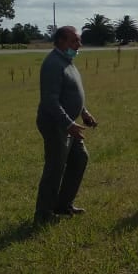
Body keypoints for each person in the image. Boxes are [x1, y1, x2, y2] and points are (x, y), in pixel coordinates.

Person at [34, 25, 98, 226]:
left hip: (69, 124)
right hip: (56, 124)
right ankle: (43, 215)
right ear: (61, 42)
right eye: (74, 41)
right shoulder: (53, 64)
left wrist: (84, 112)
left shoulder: (67, 61)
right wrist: (68, 123)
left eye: (78, 40)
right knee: (55, 168)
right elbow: (50, 101)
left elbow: (70, 93)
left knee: (79, 159)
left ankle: (63, 205)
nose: (79, 44)